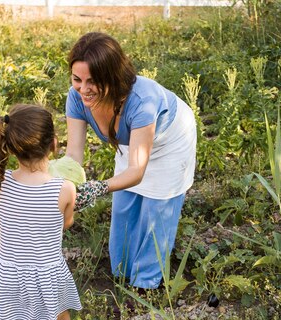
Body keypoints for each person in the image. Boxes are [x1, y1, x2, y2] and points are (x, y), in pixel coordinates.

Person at [65, 32, 197, 290]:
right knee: (125, 208)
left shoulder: (142, 103)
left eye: (93, 81)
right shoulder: (77, 98)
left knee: (156, 212)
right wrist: (61, 184)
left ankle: (146, 286)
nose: (83, 89)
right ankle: (123, 274)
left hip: (169, 139)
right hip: (133, 141)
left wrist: (97, 188)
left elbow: (136, 170)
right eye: (77, 79)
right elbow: (73, 156)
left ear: (112, 78)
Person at [0, 104, 96, 320]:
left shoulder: (1, 183)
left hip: (14, 271)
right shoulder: (63, 189)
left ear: (10, 147)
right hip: (48, 270)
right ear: (54, 144)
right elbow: (66, 224)